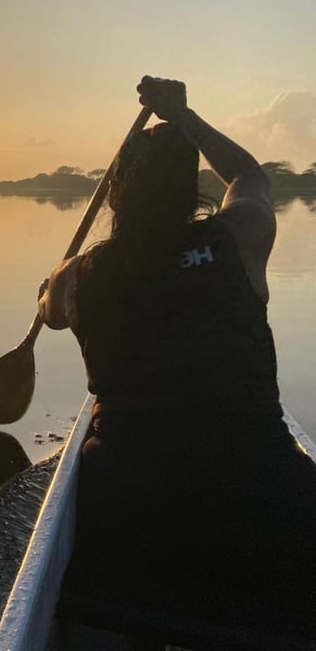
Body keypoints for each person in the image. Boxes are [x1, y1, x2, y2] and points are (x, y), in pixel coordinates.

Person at [37, 77, 316, 648]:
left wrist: (51, 286)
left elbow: (51, 312)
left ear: (115, 195)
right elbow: (249, 176)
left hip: (134, 509)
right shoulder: (240, 236)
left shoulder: (77, 277)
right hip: (263, 493)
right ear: (192, 191)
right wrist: (184, 117)